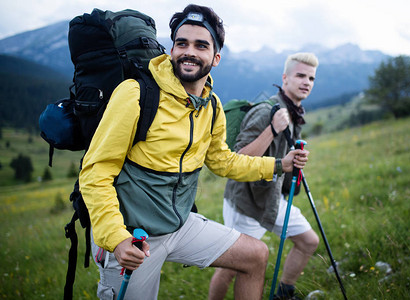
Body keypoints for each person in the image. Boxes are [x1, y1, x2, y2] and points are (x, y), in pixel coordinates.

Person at [79, 4, 308, 300]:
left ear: (215, 57)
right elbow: (96, 171)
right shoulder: (135, 94)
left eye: (201, 45)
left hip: (180, 226)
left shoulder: (211, 107)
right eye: (181, 43)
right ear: (172, 49)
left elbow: (223, 161)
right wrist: (116, 237)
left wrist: (280, 165)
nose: (189, 51)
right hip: (134, 239)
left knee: (255, 255)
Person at [209, 53, 320, 300]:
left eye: (311, 78)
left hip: (271, 198)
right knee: (231, 269)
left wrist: (293, 159)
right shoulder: (266, 111)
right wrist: (272, 130)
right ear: (285, 78)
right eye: (300, 75)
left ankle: (284, 293)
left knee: (308, 242)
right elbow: (238, 157)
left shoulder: (293, 110)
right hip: (246, 203)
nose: (307, 82)